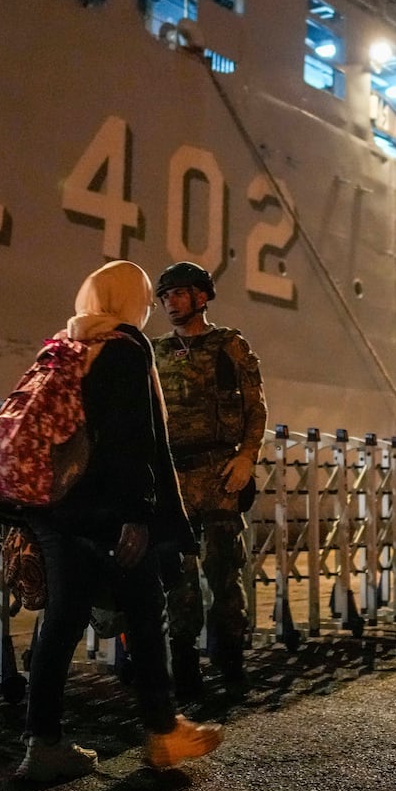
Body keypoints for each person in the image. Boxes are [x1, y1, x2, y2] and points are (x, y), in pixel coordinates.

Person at [16, 260, 225, 781]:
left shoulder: (64, 345)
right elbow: (133, 443)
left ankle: (41, 745)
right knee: (145, 613)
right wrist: (138, 516)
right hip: (109, 515)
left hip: (55, 509)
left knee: (60, 625)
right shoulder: (125, 348)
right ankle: (161, 733)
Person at [150, 262, 267, 696]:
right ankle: (184, 669)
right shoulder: (155, 351)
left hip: (219, 473)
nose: (170, 302)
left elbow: (257, 407)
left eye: (179, 293)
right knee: (178, 577)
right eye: (165, 296)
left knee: (223, 573)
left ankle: (231, 663)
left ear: (202, 297)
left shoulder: (228, 345)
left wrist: (247, 457)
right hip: (174, 476)